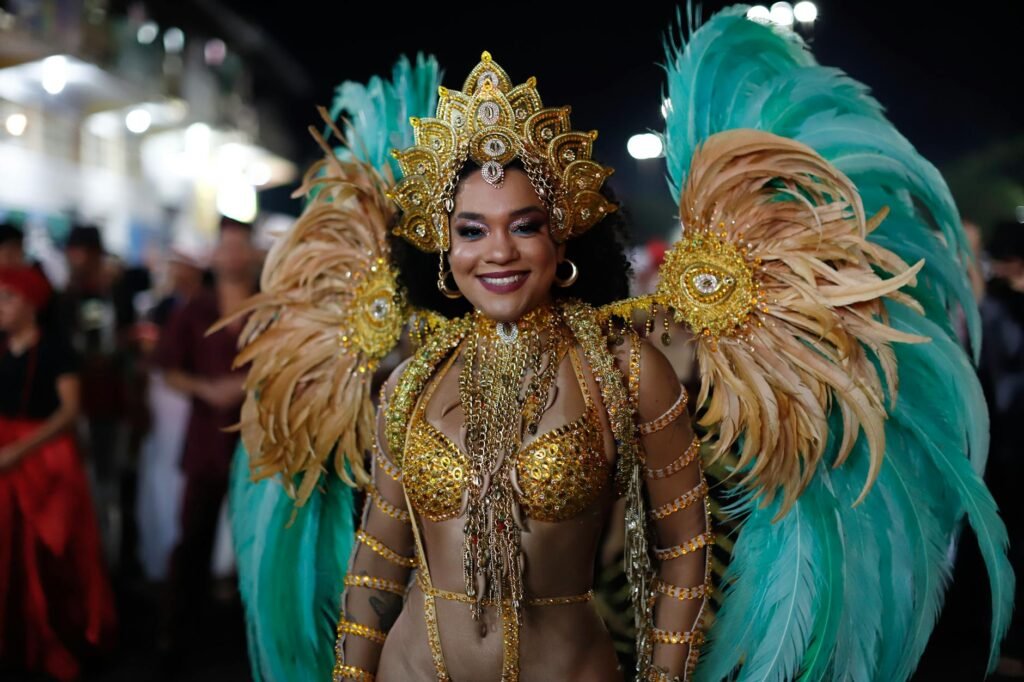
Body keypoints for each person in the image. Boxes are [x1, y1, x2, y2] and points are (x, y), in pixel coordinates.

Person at [230, 16, 1012, 682]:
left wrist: (664, 671)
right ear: (443, 250)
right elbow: (378, 555)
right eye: (471, 229)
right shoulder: (413, 376)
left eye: (524, 224)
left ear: (563, 239)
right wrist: (349, 671)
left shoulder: (625, 367)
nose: (496, 251)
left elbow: (683, 546)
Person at [0, 265, 116, 681]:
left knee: (49, 548)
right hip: (9, 459)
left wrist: (20, 449)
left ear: (31, 304)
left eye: (9, 298)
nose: (1, 307)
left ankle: (55, 636)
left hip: (45, 462)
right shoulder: (3, 348)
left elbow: (68, 412)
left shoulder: (55, 350)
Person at [156, 218, 256, 663]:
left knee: (254, 542)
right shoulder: (194, 310)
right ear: (214, 256)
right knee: (193, 537)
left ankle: (248, 635)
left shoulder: (271, 309)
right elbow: (169, 369)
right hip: (206, 445)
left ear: (251, 255)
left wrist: (250, 385)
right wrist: (206, 389)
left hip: (257, 446)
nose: (232, 256)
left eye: (240, 247)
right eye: (226, 248)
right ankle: (180, 632)